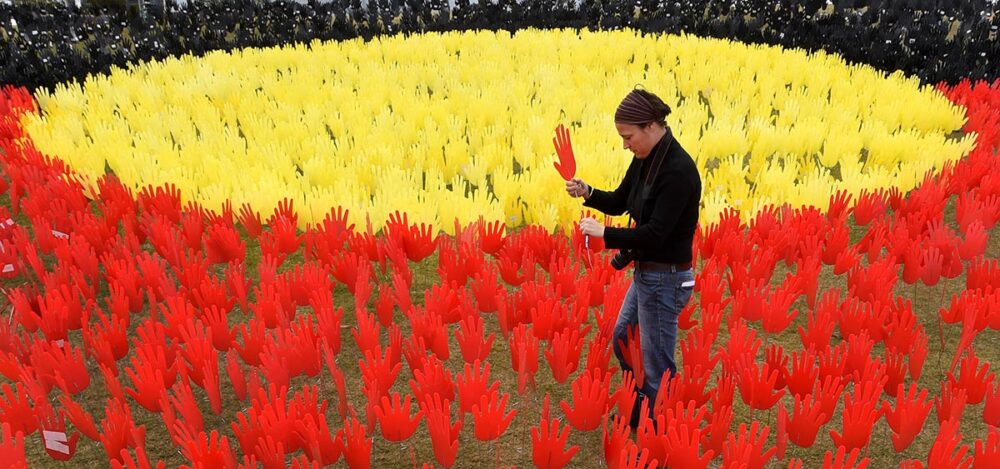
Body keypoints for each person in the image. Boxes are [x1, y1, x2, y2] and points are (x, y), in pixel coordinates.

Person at [566, 87, 701, 428]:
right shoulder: (645, 159)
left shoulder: (678, 171)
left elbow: (655, 233)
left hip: (665, 278)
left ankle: (659, 428)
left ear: (651, 126)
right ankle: (643, 406)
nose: (625, 144)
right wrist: (589, 192)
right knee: (624, 338)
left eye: (628, 137)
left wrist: (605, 235)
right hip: (647, 274)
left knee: (658, 364)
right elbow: (621, 200)